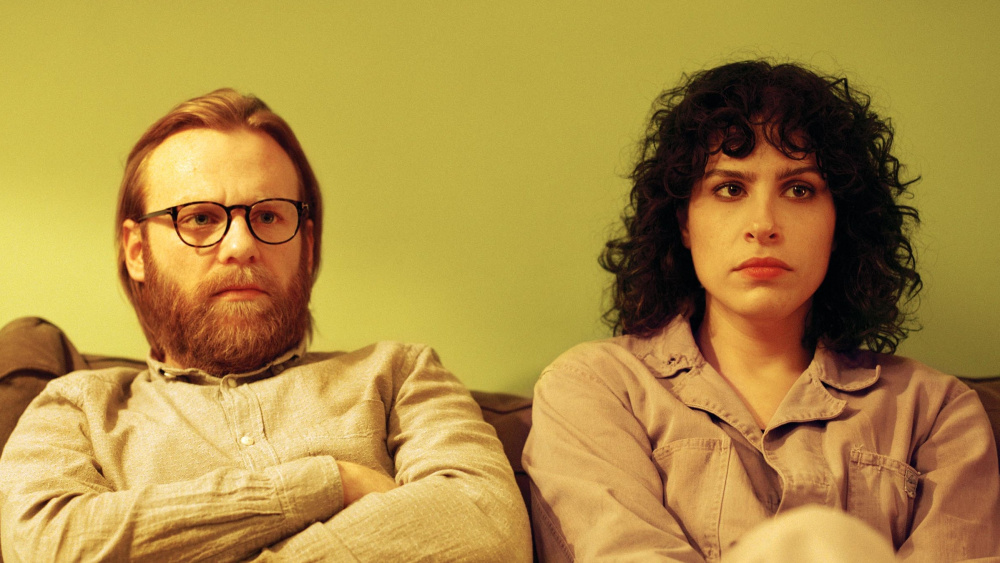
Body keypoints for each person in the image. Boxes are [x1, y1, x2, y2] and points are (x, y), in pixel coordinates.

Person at [0, 89, 531, 562]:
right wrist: (328, 484)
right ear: (138, 251)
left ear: (309, 245)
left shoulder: (400, 376)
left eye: (270, 215)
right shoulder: (76, 408)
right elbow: (45, 545)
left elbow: (488, 529)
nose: (240, 246)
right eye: (200, 218)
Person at [522, 60, 1000, 562]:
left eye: (799, 189)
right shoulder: (596, 387)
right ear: (684, 221)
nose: (764, 224)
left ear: (840, 223)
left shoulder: (936, 411)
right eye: (730, 188)